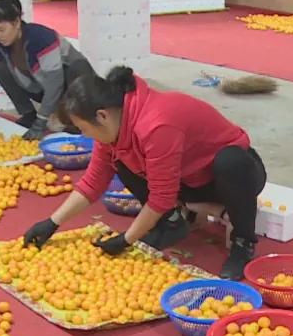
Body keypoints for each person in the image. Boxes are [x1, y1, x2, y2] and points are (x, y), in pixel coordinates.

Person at [22, 66, 267, 280]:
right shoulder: (111, 130)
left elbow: (161, 195)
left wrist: (126, 239)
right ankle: (170, 223)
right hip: (189, 178)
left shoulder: (157, 125)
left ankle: (243, 241)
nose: (85, 135)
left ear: (102, 116)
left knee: (230, 162)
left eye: (83, 128)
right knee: (124, 163)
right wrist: (52, 223)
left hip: (237, 176)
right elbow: (93, 182)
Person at [0, 0, 94, 140]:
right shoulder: (1, 49)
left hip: (70, 84)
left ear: (16, 22)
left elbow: (55, 83)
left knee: (78, 68)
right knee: (1, 69)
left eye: (1, 29)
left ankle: (77, 121)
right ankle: (28, 114)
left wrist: (41, 121)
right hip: (44, 87)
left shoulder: (41, 38)